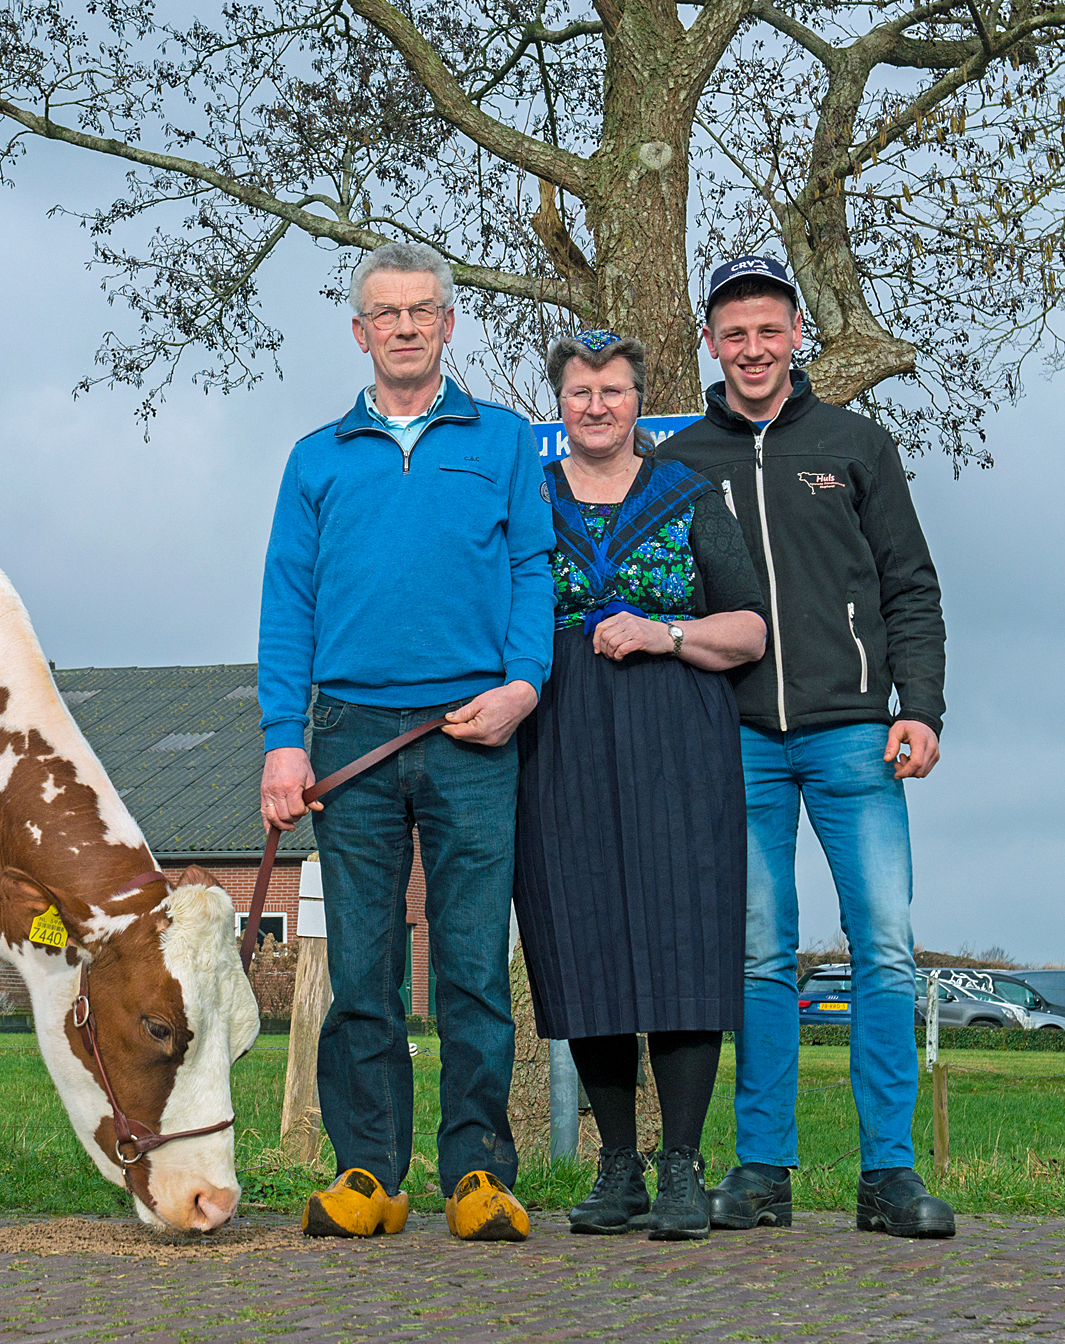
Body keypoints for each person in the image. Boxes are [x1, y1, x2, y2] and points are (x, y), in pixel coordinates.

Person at [258, 241, 553, 1242]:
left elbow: (531, 574)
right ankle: (369, 1175)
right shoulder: (314, 457)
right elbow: (287, 605)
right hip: (350, 736)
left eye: (422, 310)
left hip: (474, 728)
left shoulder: (506, 442)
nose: (405, 326)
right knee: (363, 969)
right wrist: (281, 742)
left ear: (449, 323)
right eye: (386, 313)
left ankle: (476, 1175)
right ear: (360, 331)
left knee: (472, 963)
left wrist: (523, 687)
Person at [661, 256, 955, 1240]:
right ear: (712, 343)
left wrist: (921, 709)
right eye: (734, 333)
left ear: (797, 336)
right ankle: (762, 1172)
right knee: (758, 958)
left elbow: (910, 584)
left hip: (854, 738)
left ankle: (889, 1176)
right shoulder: (680, 462)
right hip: (731, 741)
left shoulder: (856, 444)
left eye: (769, 330)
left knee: (882, 947)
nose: (752, 349)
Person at [512, 330, 767, 1242]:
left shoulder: (689, 496)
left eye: (613, 390)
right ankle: (615, 1168)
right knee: (586, 940)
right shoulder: (527, 500)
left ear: (636, 400)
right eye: (579, 392)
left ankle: (683, 1169)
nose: (596, 406)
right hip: (560, 741)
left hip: (677, 739)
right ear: (561, 404)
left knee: (682, 941)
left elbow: (748, 631)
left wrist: (663, 632)